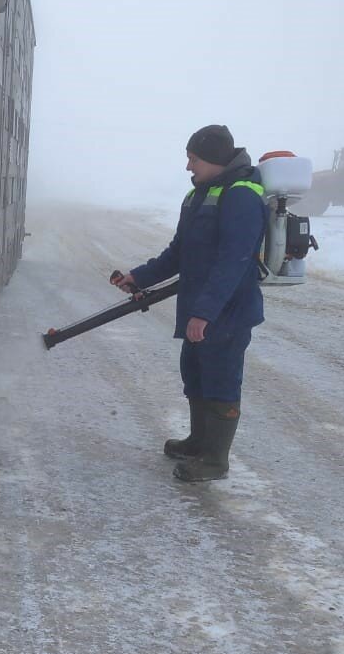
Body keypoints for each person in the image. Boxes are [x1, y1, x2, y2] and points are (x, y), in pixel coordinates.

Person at [112, 124, 267, 483]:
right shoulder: (198, 194)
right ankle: (199, 442)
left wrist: (204, 313)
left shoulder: (241, 195)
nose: (188, 166)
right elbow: (179, 252)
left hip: (226, 311)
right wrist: (139, 276)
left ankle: (215, 459)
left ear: (213, 158)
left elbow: (234, 261)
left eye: (193, 159)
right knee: (195, 374)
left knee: (221, 378)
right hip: (202, 306)